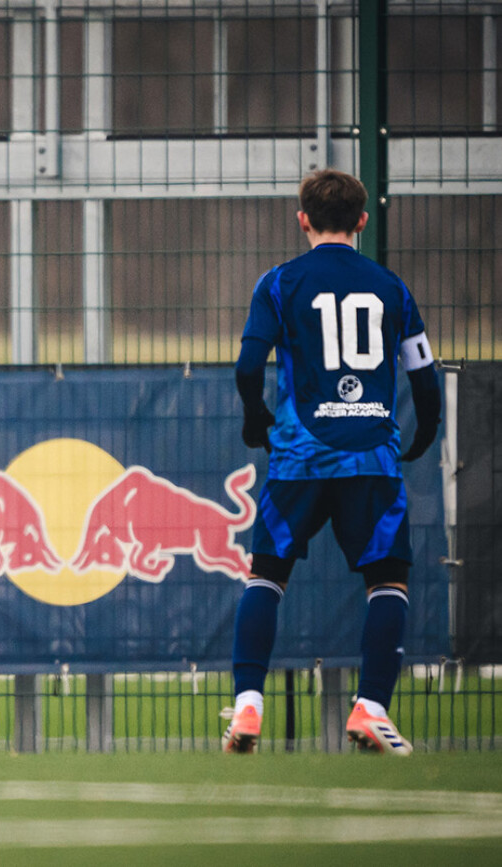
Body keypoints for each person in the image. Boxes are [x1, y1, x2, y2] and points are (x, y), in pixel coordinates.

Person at [225, 168, 440, 756]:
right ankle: (371, 709)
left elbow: (248, 367)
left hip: (300, 457)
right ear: (362, 221)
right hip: (372, 458)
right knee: (387, 581)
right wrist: (425, 432)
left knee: (266, 575)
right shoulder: (391, 287)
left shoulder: (278, 283)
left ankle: (247, 704)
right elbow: (424, 376)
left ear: (303, 221)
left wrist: (256, 420)